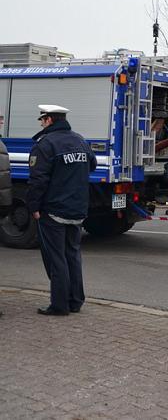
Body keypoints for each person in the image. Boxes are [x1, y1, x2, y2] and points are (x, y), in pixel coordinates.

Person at [26, 105, 96, 315]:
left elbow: (38, 180)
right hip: (77, 209)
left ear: (49, 120)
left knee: (56, 258)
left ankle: (59, 305)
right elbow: (91, 165)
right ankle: (75, 301)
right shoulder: (80, 139)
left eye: (42, 120)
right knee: (72, 255)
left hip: (53, 210)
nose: (40, 123)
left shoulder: (45, 144)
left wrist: (34, 207)